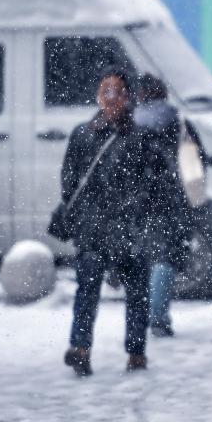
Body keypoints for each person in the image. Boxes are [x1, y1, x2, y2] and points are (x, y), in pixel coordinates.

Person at [61, 68, 184, 376]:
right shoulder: (83, 134)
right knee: (86, 290)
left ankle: (136, 351)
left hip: (131, 230)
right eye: (106, 91)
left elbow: (158, 183)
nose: (111, 98)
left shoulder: (142, 138)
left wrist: (139, 210)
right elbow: (69, 180)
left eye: (117, 92)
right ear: (98, 96)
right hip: (93, 230)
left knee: (137, 293)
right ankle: (79, 348)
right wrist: (85, 216)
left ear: (129, 98)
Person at [133, 73, 200, 338]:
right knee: (166, 256)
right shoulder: (178, 122)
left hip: (137, 200)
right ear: (163, 94)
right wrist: (196, 198)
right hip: (171, 198)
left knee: (139, 258)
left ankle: (139, 316)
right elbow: (192, 163)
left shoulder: (131, 122)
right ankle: (158, 316)